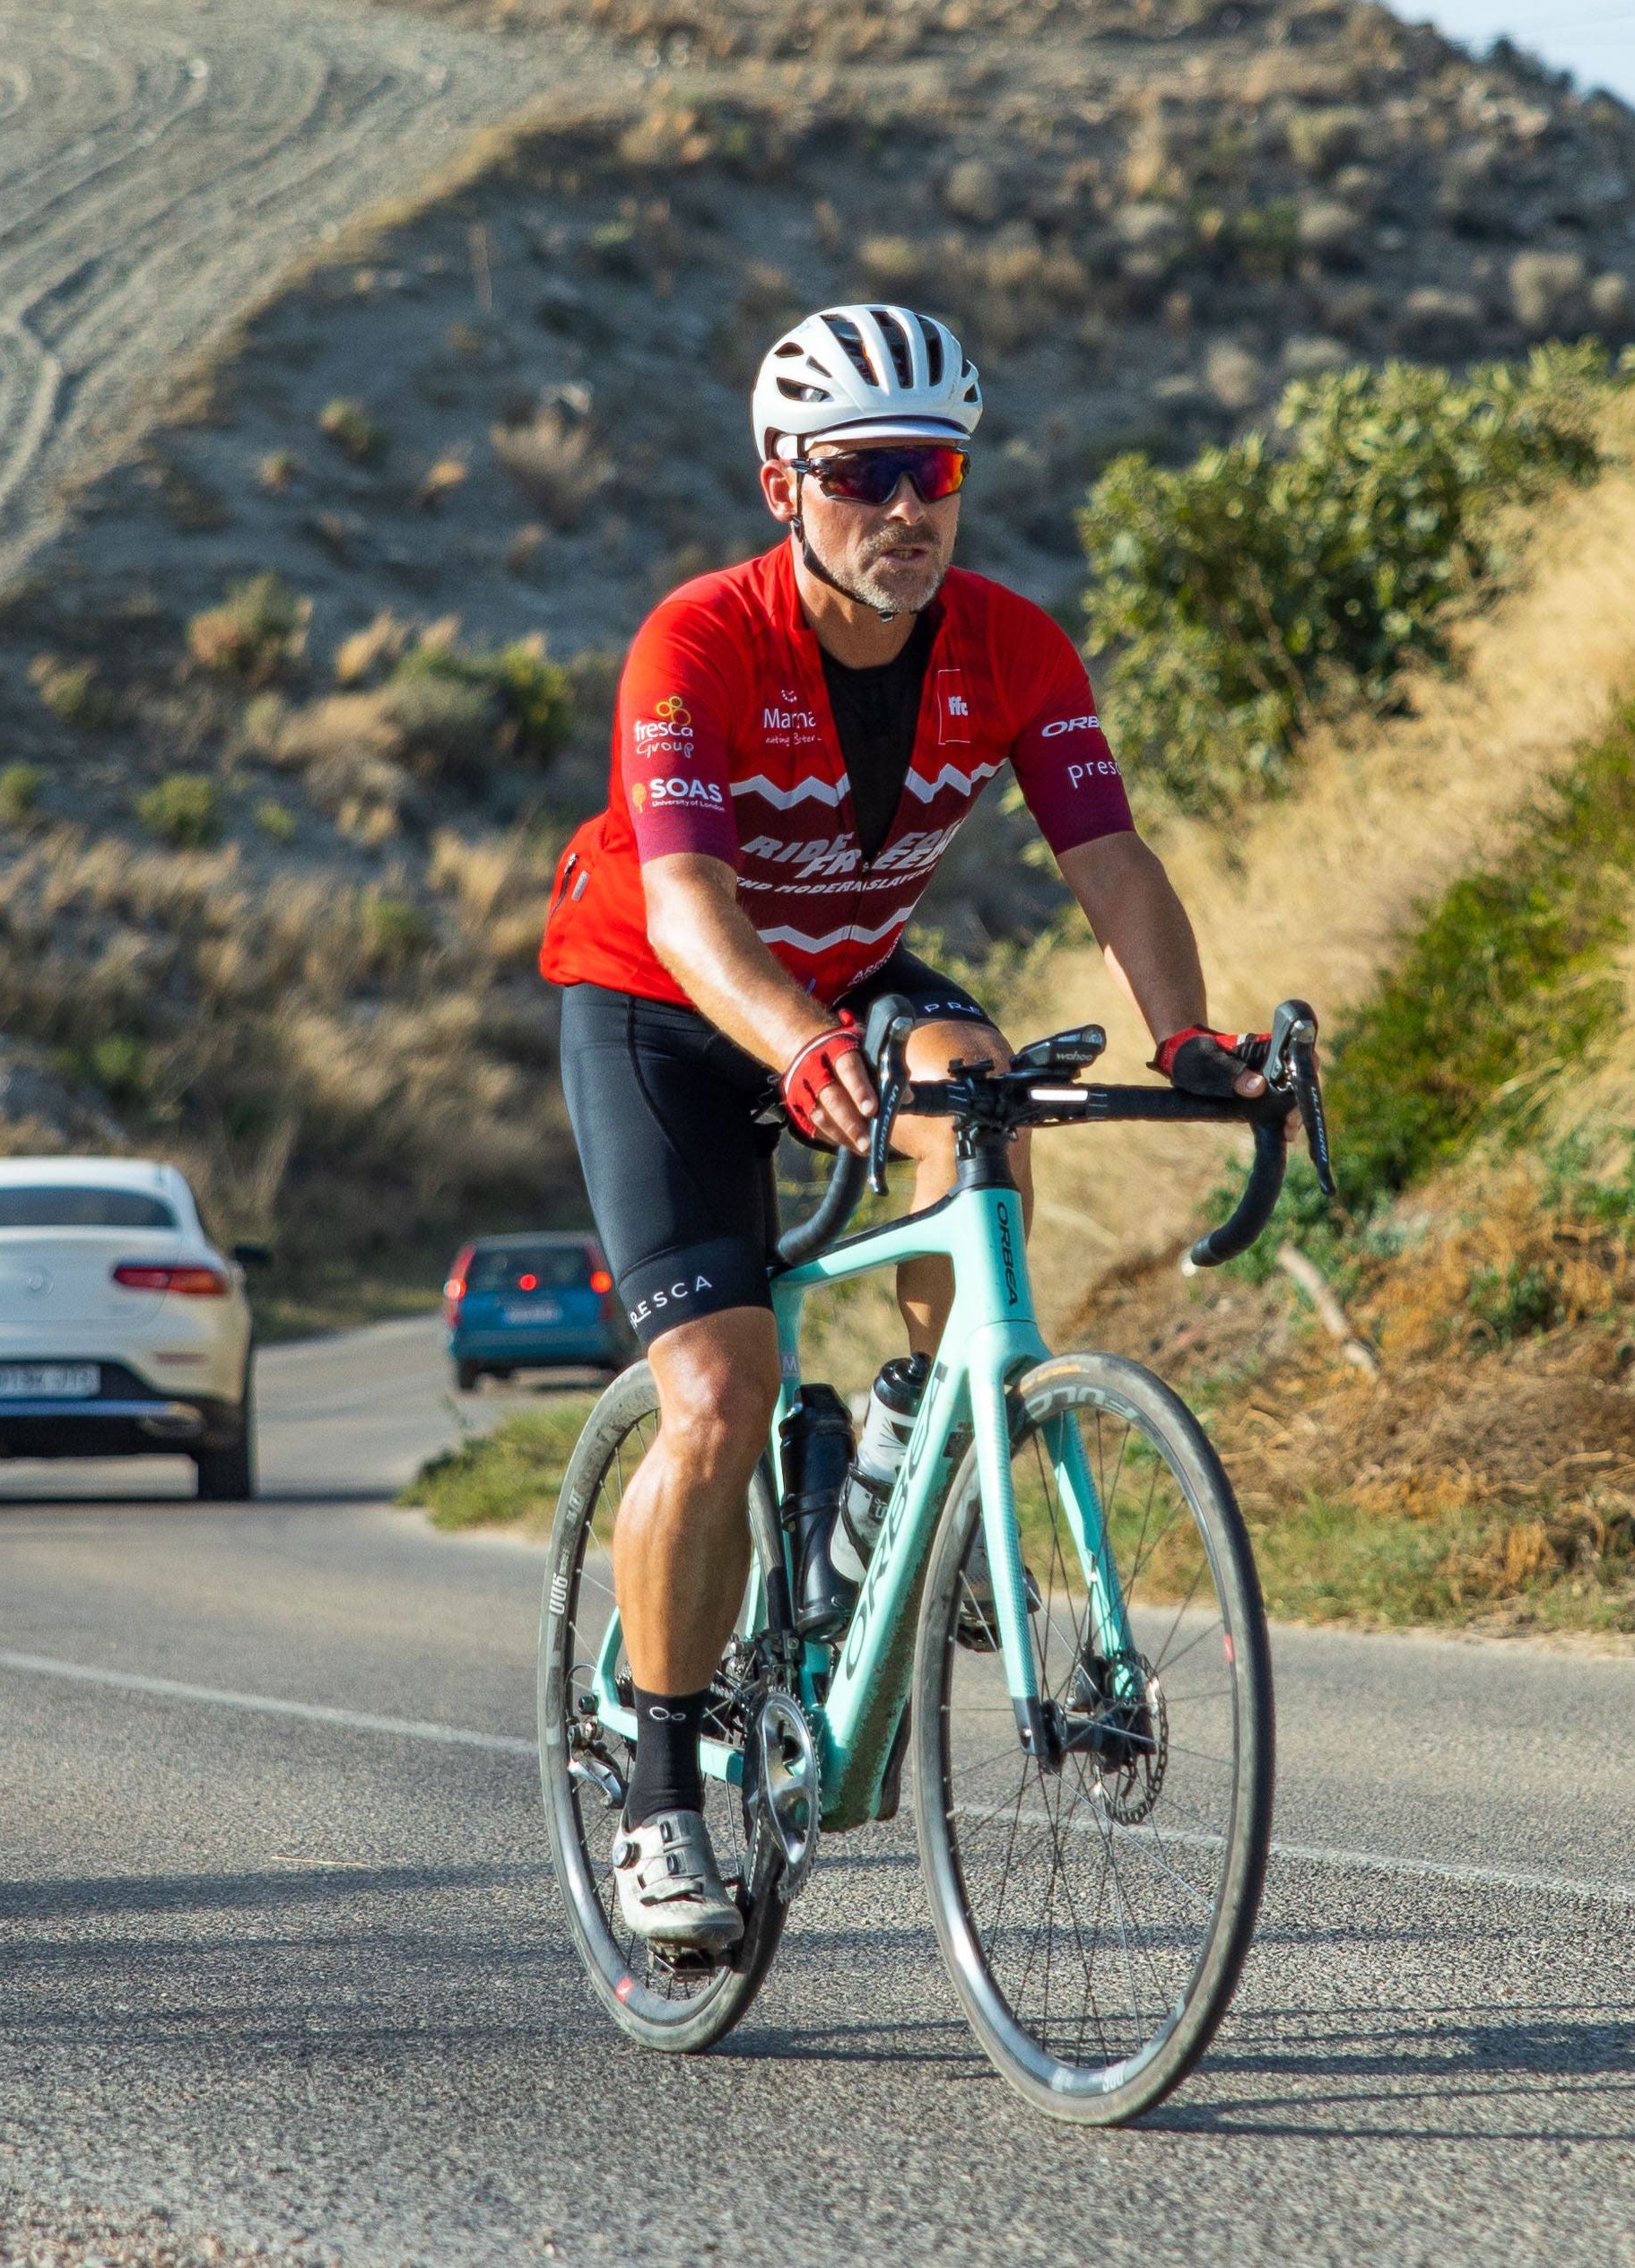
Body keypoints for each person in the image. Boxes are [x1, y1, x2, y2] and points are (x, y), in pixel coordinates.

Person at [537, 302, 1273, 1950]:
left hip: (851, 976)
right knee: (717, 1393)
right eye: (863, 473)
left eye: (931, 469)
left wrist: (1189, 1037)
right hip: (667, 998)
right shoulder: (698, 643)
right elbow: (684, 901)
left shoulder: (1011, 644)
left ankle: (910, 1441)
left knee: (979, 1082)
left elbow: (1108, 857)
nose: (904, 508)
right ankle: (660, 1786)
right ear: (782, 484)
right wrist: (793, 1045)